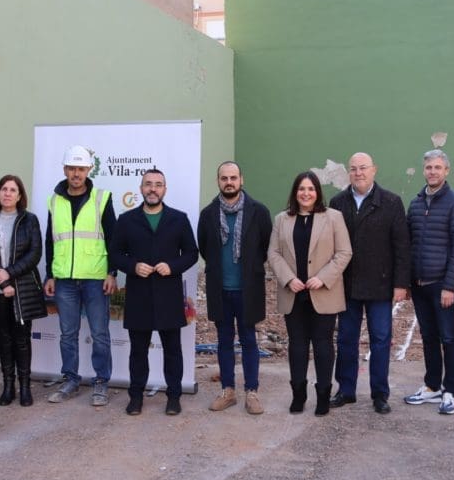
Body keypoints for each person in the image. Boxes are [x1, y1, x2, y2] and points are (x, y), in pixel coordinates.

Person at [109, 169, 199, 416]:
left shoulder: (179, 219)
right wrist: (133, 266)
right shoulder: (126, 220)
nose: (153, 189)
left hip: (169, 295)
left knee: (173, 350)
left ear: (164, 190)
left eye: (158, 184)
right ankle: (135, 397)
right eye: (148, 184)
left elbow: (192, 253)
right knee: (138, 351)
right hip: (138, 295)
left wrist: (172, 266)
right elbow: (115, 253)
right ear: (141, 188)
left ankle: (174, 397)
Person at [328, 152, 409, 414]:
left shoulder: (391, 202)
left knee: (381, 340)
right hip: (347, 285)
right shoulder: (337, 203)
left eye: (363, 168)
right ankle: (346, 390)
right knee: (346, 339)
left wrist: (400, 284)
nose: (358, 173)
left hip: (380, 285)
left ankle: (380, 394)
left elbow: (401, 246)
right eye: (353, 168)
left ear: (374, 170)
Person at [267, 171, 352, 416]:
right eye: (302, 189)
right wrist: (288, 279)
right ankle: (298, 394)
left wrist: (322, 278)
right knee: (297, 345)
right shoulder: (282, 219)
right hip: (294, 292)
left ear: (318, 192)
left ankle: (323, 395)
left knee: (323, 345)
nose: (306, 193)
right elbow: (273, 253)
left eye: (311, 189)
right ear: (295, 192)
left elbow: (344, 252)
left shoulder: (333, 217)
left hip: (323, 292)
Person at [44, 145, 118, 407]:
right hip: (64, 279)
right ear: (65, 169)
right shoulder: (54, 201)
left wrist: (112, 272)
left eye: (81, 169)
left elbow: (113, 238)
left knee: (99, 333)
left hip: (95, 278)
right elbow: (51, 240)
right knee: (67, 334)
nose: (76, 173)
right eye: (72, 168)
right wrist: (49, 274)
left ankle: (101, 381)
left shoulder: (102, 198)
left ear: (89, 170)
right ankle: (71, 379)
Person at [197, 161, 273, 415]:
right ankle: (228, 390)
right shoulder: (208, 214)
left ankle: (252, 391)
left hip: (248, 289)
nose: (229, 182)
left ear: (242, 179)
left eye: (233, 177)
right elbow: (204, 247)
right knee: (224, 341)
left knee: (249, 340)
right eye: (224, 178)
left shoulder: (258, 211)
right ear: (218, 181)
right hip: (220, 289)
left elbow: (265, 246)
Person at [403, 149, 454, 416]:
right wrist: (408, 281)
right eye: (429, 167)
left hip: (442, 285)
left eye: (437, 167)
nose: (432, 172)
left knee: (449, 337)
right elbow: (408, 244)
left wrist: (450, 286)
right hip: (420, 285)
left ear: (446, 171)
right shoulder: (416, 203)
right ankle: (432, 386)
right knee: (428, 336)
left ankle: (450, 391)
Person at [0, 176, 45, 407]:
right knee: (3, 338)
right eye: (4, 189)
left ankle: (25, 387)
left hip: (22, 288)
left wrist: (9, 273)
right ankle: (8, 387)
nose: (7, 193)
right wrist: (0, 278)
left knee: (22, 339)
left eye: (12, 190)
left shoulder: (29, 220)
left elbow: (34, 254)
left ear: (19, 195)